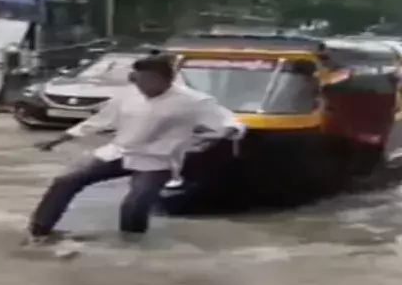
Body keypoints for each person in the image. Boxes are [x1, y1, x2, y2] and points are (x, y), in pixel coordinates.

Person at [27, 53, 243, 242]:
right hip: (119, 151)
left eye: (146, 81)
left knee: (134, 203)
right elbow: (100, 121)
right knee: (66, 181)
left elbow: (229, 121)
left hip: (157, 160)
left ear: (165, 79)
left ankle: (131, 245)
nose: (141, 86)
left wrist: (226, 132)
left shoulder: (195, 101)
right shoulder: (128, 95)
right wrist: (59, 139)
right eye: (137, 80)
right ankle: (39, 231)